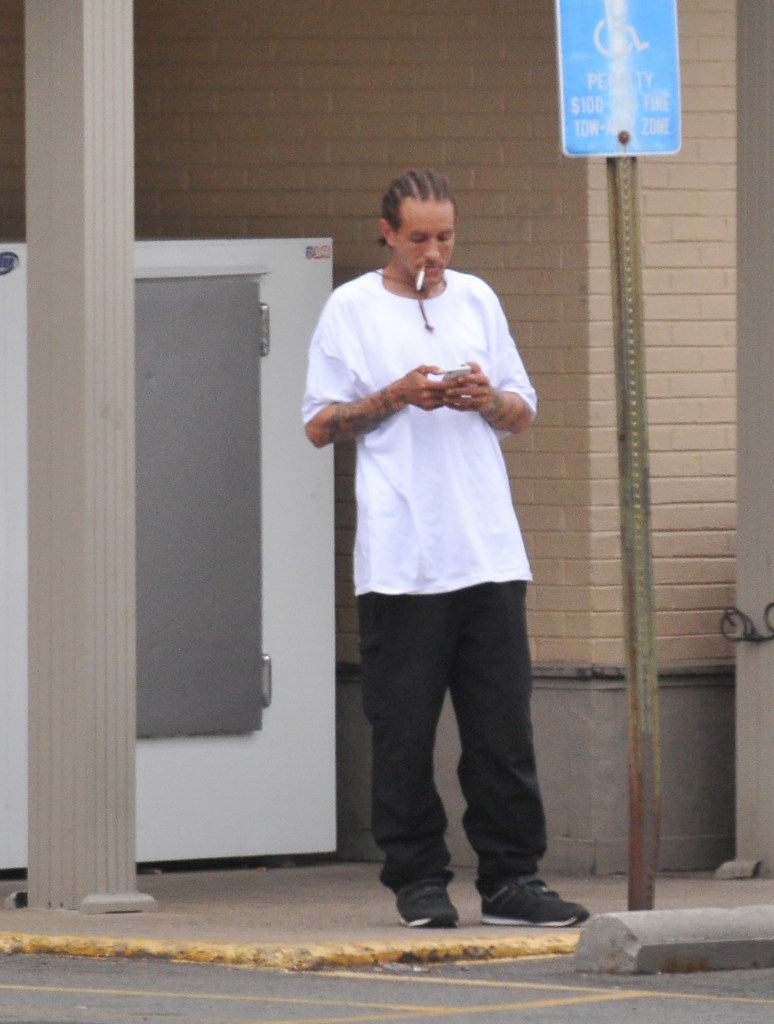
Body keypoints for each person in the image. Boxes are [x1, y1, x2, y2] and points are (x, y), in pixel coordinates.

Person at [302, 168, 588, 930]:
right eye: (419, 237)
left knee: (501, 729)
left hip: (487, 550)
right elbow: (319, 425)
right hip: (401, 558)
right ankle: (418, 880)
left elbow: (520, 410)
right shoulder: (351, 309)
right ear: (387, 233)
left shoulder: (477, 299)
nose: (434, 252)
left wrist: (484, 398)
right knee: (402, 729)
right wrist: (395, 394)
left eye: (446, 237)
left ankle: (510, 877)